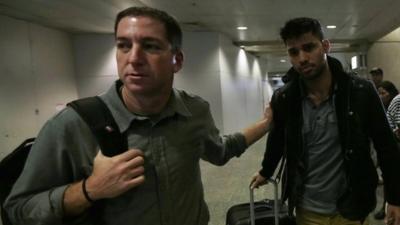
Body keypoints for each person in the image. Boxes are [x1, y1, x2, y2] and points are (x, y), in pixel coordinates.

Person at [4, 6, 272, 225]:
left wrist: (266, 123)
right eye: (123, 45)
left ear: (176, 60)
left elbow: (221, 151)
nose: (134, 58)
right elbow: (18, 209)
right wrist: (90, 189)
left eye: (151, 46)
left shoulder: (195, 111)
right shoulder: (73, 125)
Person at [250, 17, 400, 225]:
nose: (302, 58)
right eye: (294, 52)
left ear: (325, 46)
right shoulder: (285, 98)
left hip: (351, 207)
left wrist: (394, 198)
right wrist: (266, 170)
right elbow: (277, 140)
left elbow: (387, 147)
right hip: (307, 209)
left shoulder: (360, 92)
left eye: (309, 47)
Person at [374, 80, 399, 220]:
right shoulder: (380, 109)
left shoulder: (396, 103)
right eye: (379, 93)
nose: (381, 96)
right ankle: (386, 206)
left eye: (383, 93)